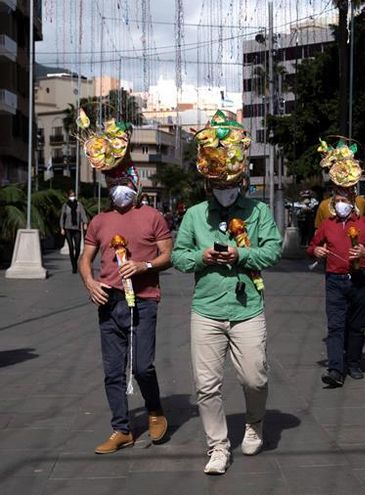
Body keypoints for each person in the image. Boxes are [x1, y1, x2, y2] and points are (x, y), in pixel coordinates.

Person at [171, 111, 281, 474]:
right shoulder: (195, 215)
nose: (224, 191)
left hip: (247, 307)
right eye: (218, 186)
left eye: (229, 185)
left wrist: (242, 254)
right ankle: (217, 446)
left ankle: (255, 422)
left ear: (242, 179)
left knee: (255, 376)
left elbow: (273, 249)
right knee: (206, 385)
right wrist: (202, 257)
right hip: (206, 309)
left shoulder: (259, 211)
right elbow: (178, 256)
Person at [77, 119, 171, 454]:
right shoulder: (99, 220)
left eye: (122, 180)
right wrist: (90, 282)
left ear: (135, 181)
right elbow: (84, 259)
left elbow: (167, 255)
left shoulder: (152, 217)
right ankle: (121, 430)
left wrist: (144, 265)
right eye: (111, 180)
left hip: (144, 300)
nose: (118, 186)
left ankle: (155, 410)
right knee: (112, 371)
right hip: (109, 302)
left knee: (143, 365)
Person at [307, 139, 365, 387]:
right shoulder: (327, 221)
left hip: (360, 279)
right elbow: (312, 245)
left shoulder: (364, 222)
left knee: (357, 326)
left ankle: (353, 363)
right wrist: (316, 250)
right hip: (335, 280)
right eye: (338, 196)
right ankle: (335, 369)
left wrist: (364, 252)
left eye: (346, 196)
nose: (341, 202)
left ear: (352, 197)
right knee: (336, 326)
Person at [61, 188, 89, 273]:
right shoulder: (65, 205)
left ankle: (75, 260)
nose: (72, 197)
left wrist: (85, 223)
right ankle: (74, 266)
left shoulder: (79, 205)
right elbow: (62, 217)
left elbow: (83, 214)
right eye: (71, 196)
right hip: (68, 228)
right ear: (68, 196)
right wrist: (62, 228)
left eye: (73, 195)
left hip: (77, 228)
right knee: (71, 247)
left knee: (77, 248)